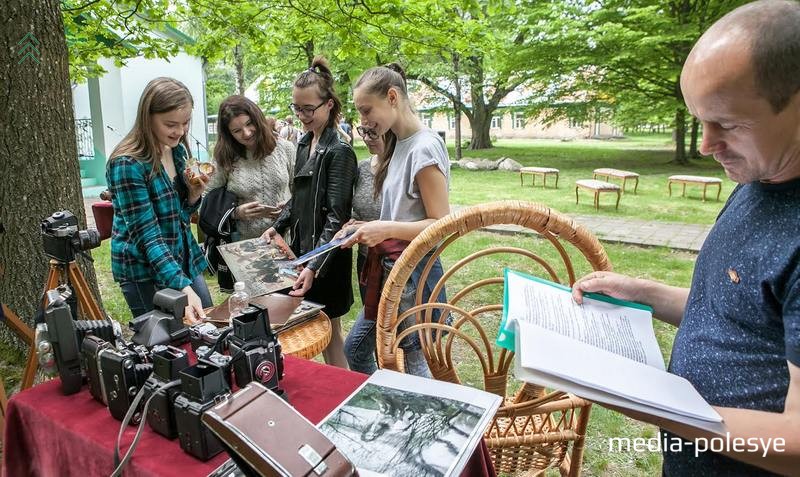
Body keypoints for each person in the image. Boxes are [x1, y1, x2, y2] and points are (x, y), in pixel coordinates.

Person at [571, 1, 800, 474]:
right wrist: (645, 295)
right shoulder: (761, 177)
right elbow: (746, 312)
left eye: (729, 124)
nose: (706, 145)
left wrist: (652, 403)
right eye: (700, 119)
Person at [341, 63, 450, 377]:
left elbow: (441, 225)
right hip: (392, 271)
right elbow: (403, 213)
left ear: (392, 97)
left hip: (415, 275)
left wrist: (383, 228)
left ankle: (427, 420)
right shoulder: (398, 144)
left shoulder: (424, 147)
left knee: (416, 364)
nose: (363, 122)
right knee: (357, 348)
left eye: (366, 110)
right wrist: (364, 227)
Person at [263, 56, 357, 369]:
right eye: (296, 108)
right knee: (317, 330)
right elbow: (297, 198)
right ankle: (335, 388)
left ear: (329, 105)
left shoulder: (340, 151)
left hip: (326, 258)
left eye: (308, 109)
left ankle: (340, 391)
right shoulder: (304, 144)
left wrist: (315, 265)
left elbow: (337, 216)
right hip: (304, 253)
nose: (301, 116)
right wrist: (278, 225)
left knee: (329, 330)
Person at [106, 77, 212, 322]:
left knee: (207, 328)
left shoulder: (176, 150)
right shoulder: (127, 163)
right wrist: (183, 288)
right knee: (166, 346)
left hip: (182, 258)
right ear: (147, 117)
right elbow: (148, 237)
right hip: (144, 271)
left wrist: (194, 194)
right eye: (171, 124)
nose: (180, 131)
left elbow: (179, 216)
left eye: (185, 123)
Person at [207, 95, 295, 241]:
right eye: (237, 131)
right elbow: (206, 201)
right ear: (228, 134)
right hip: (242, 247)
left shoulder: (285, 148)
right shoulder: (224, 157)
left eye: (249, 124)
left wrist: (290, 206)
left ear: (258, 119)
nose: (246, 133)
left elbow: (300, 192)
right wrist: (235, 213)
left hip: (283, 242)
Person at [348, 125, 384, 302]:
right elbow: (359, 206)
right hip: (366, 259)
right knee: (371, 319)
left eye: (373, 133)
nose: (367, 138)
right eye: (364, 131)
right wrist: (351, 221)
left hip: (394, 260)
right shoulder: (362, 167)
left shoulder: (403, 167)